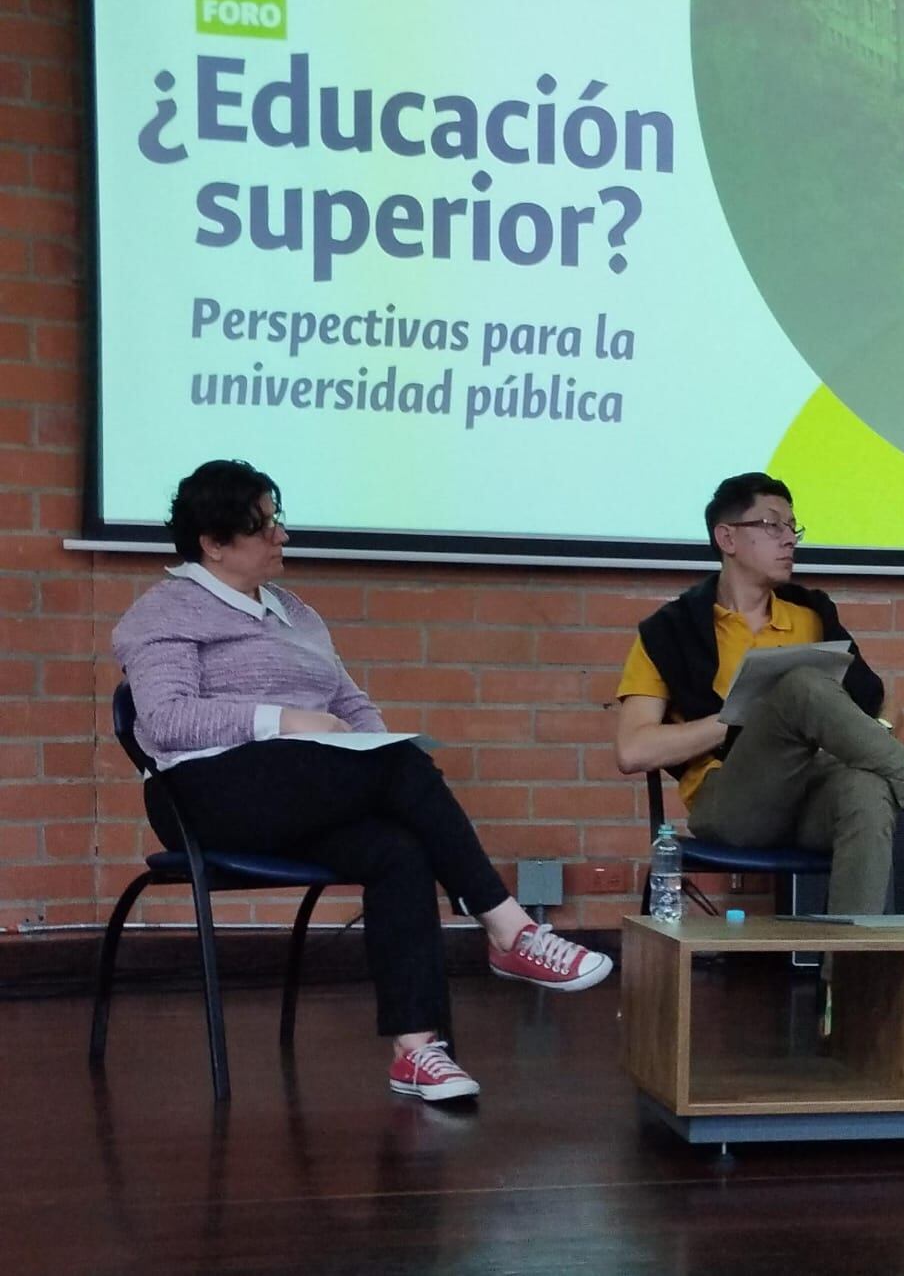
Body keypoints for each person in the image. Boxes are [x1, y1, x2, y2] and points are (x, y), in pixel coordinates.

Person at [112, 460, 611, 1105]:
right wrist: (283, 719)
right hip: (208, 795)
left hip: (299, 793)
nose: (281, 538)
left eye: (278, 523)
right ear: (212, 543)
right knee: (399, 766)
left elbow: (350, 703)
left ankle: (415, 1051)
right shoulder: (165, 611)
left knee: (397, 849)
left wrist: (371, 742)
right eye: (263, 527)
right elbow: (168, 719)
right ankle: (510, 930)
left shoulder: (295, 613)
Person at [613, 471, 904, 917]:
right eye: (771, 525)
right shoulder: (671, 631)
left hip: (811, 797)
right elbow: (632, 750)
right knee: (798, 686)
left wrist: (867, 738)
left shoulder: (812, 616)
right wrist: (743, 718)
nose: (789, 539)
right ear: (727, 537)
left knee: (866, 788)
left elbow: (888, 706)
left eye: (792, 527)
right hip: (729, 804)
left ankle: (850, 980)